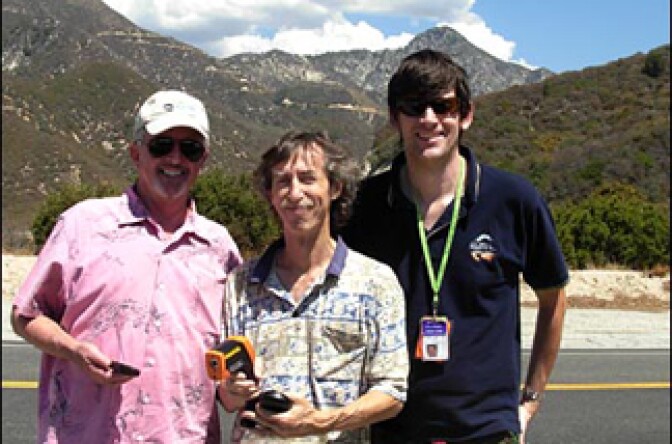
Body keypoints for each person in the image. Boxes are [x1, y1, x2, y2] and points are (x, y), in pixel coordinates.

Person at [340, 49, 569, 443]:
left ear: (465, 115)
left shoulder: (513, 200)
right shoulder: (365, 205)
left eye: (442, 106)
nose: (428, 119)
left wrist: (530, 399)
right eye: (413, 107)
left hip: (486, 430)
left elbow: (554, 298)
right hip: (392, 428)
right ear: (396, 118)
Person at [10, 90, 242, 443]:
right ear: (136, 153)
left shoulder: (219, 247)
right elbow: (26, 315)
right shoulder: (82, 225)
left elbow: (232, 349)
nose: (175, 158)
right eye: (161, 145)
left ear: (203, 160)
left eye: (190, 148)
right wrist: (72, 351)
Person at [217, 131, 409, 443]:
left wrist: (319, 422)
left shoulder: (375, 283)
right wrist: (231, 391)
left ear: (335, 187)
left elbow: (393, 392)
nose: (295, 193)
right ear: (269, 193)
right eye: (282, 181)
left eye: (308, 178)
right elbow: (226, 395)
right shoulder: (241, 283)